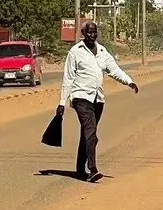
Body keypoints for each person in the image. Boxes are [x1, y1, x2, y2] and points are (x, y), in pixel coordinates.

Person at [57, 21, 138, 183]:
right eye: (89, 33)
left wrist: (129, 81)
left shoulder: (102, 51)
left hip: (97, 99)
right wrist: (62, 102)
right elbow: (68, 78)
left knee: (87, 133)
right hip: (80, 97)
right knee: (91, 131)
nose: (92, 35)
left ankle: (80, 168)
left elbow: (114, 70)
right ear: (83, 33)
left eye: (94, 32)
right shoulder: (75, 52)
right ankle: (93, 168)